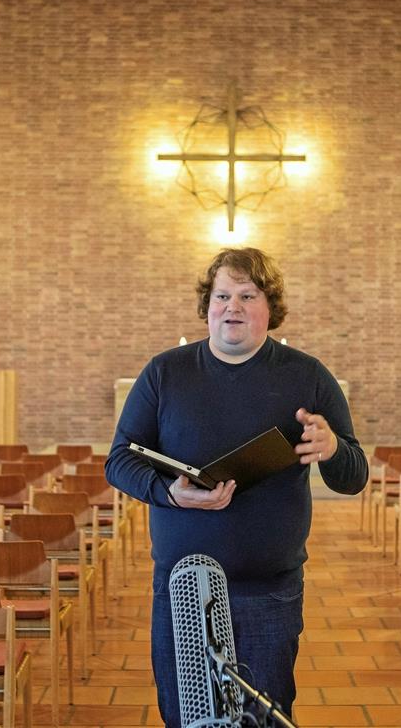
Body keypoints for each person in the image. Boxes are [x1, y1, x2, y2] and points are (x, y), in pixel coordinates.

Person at [106, 247, 367, 727]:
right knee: (184, 717)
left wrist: (332, 449)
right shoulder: (165, 373)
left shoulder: (307, 377)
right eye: (223, 295)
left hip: (268, 591)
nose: (233, 306)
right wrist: (168, 492)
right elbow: (120, 460)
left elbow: (354, 476)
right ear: (207, 306)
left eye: (248, 295)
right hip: (183, 588)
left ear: (271, 309)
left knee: (263, 718)